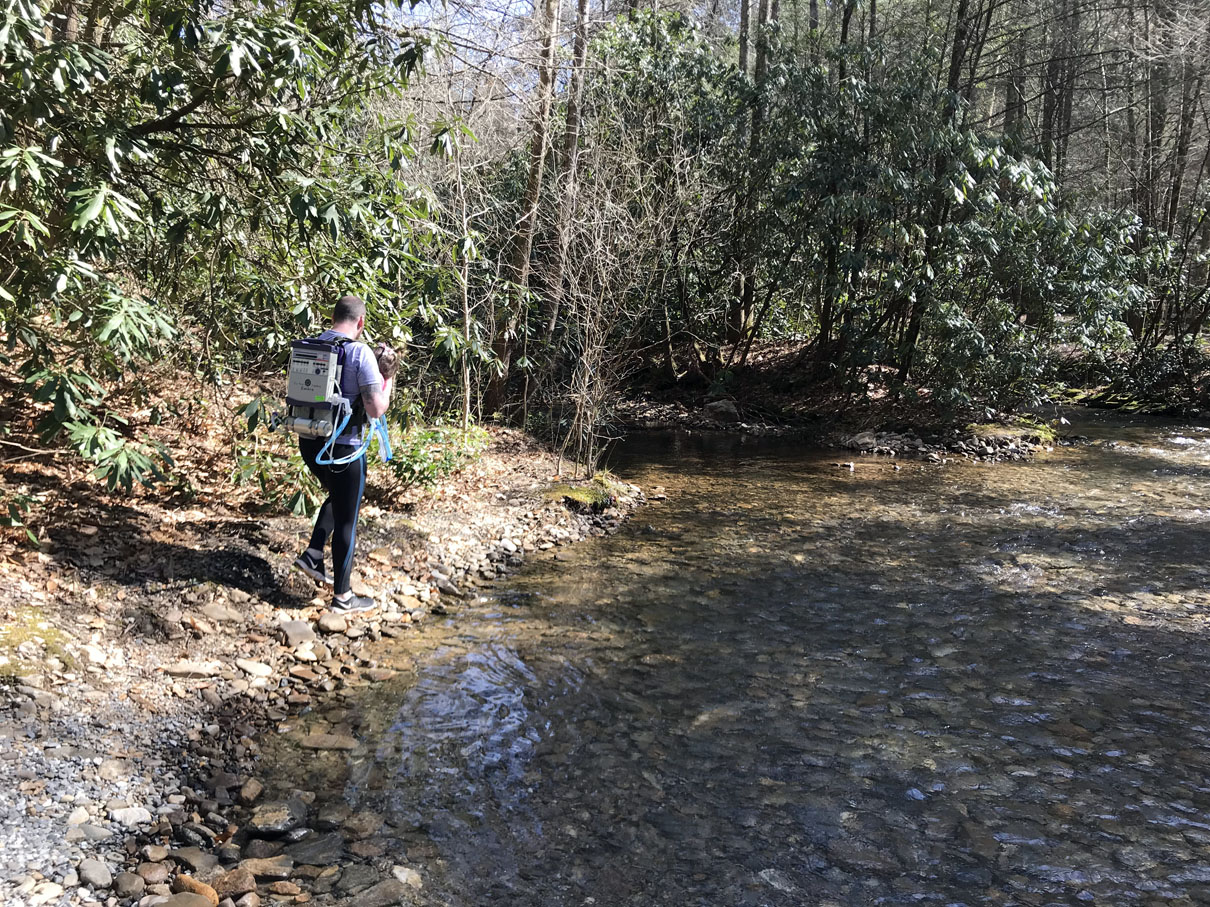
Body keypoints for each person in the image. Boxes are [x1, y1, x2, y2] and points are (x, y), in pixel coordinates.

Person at [293, 295, 393, 613]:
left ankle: (312, 555)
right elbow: (376, 408)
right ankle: (343, 598)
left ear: (334, 316)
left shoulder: (314, 344)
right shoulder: (359, 351)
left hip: (309, 441)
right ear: (360, 322)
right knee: (348, 520)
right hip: (344, 450)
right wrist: (386, 380)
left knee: (338, 499)